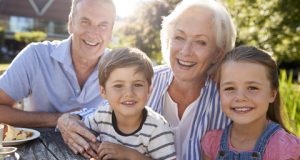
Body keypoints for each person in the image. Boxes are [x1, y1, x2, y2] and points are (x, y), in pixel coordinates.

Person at [57, 0, 237, 159]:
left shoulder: (229, 99)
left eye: (201, 42)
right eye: (179, 37)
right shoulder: (145, 80)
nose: (185, 51)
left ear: (218, 52)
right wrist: (67, 119)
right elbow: (101, 113)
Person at [0, 0, 115, 127]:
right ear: (70, 23)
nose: (93, 33)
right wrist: (58, 119)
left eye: (103, 25)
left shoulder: (119, 68)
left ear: (111, 32)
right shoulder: (35, 56)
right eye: (85, 22)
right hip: (39, 146)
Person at [201, 46, 300, 160]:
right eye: (229, 88)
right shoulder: (213, 143)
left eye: (252, 88)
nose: (240, 97)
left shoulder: (283, 149)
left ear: (272, 94)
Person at [80, 47, 176, 160]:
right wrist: (91, 146)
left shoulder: (157, 128)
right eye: (118, 86)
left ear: (149, 90)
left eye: (137, 85)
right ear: (103, 91)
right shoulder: (102, 115)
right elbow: (81, 132)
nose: (129, 93)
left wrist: (129, 155)